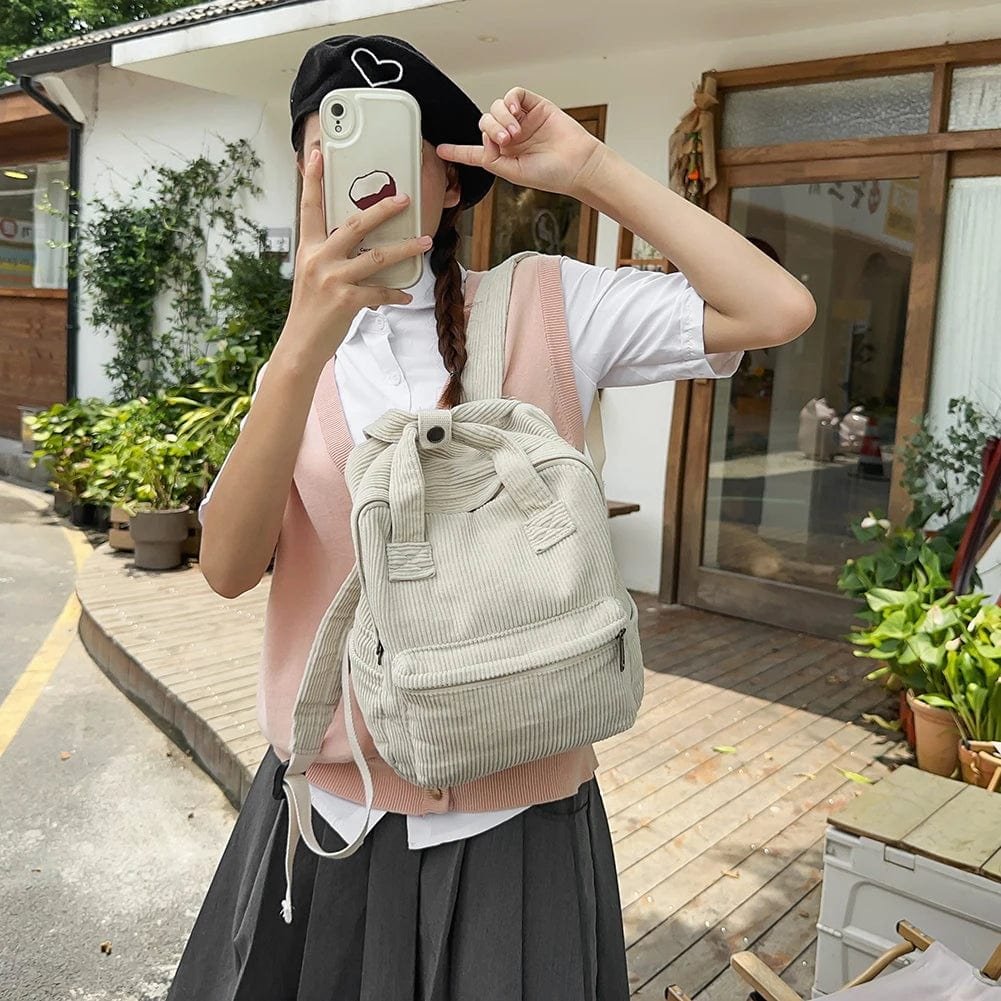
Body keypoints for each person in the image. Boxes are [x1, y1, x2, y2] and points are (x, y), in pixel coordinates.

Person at [167, 34, 815, 1001]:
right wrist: (301, 340)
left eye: (390, 145)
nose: (360, 179)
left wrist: (590, 170)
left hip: (520, 826)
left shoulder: (549, 303)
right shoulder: (299, 360)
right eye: (325, 152)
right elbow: (225, 568)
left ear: (452, 178)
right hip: (331, 816)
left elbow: (775, 309)